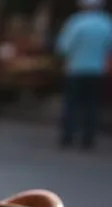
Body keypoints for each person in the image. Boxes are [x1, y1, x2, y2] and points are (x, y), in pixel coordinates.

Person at [56, 0, 112, 149]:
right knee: (92, 104)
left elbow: (64, 47)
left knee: (72, 104)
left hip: (76, 69)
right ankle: (88, 138)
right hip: (97, 70)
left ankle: (68, 136)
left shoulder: (76, 22)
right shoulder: (106, 23)